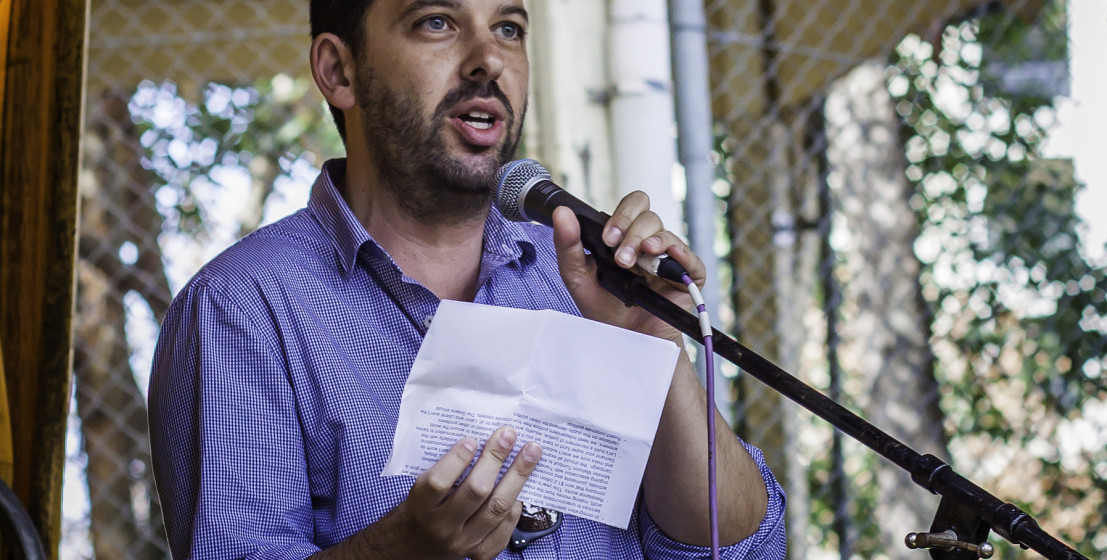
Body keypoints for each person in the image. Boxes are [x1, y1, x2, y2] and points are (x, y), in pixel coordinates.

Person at [147, 0, 787, 558]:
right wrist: (402, 550)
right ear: (339, 71)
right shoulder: (242, 307)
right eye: (437, 22)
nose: (488, 60)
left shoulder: (586, 278)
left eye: (509, 28)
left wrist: (655, 346)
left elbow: (743, 551)